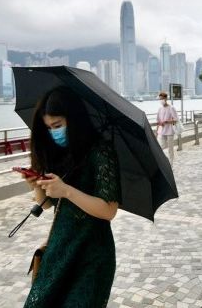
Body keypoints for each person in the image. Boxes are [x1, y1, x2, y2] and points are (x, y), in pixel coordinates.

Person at [23, 86, 121, 307]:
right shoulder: (58, 153)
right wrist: (37, 185)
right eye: (48, 128)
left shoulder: (101, 152)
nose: (53, 132)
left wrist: (66, 190)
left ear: (74, 120)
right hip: (60, 247)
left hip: (92, 254)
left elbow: (108, 210)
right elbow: (46, 205)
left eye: (57, 126)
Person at [156, 92, 178, 165]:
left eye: (162, 98)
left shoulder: (171, 108)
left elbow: (175, 120)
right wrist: (159, 125)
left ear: (166, 98)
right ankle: (162, 161)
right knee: (160, 147)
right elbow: (158, 120)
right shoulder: (159, 109)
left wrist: (166, 121)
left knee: (170, 149)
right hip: (161, 131)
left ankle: (171, 164)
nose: (161, 100)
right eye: (160, 99)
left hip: (170, 131)